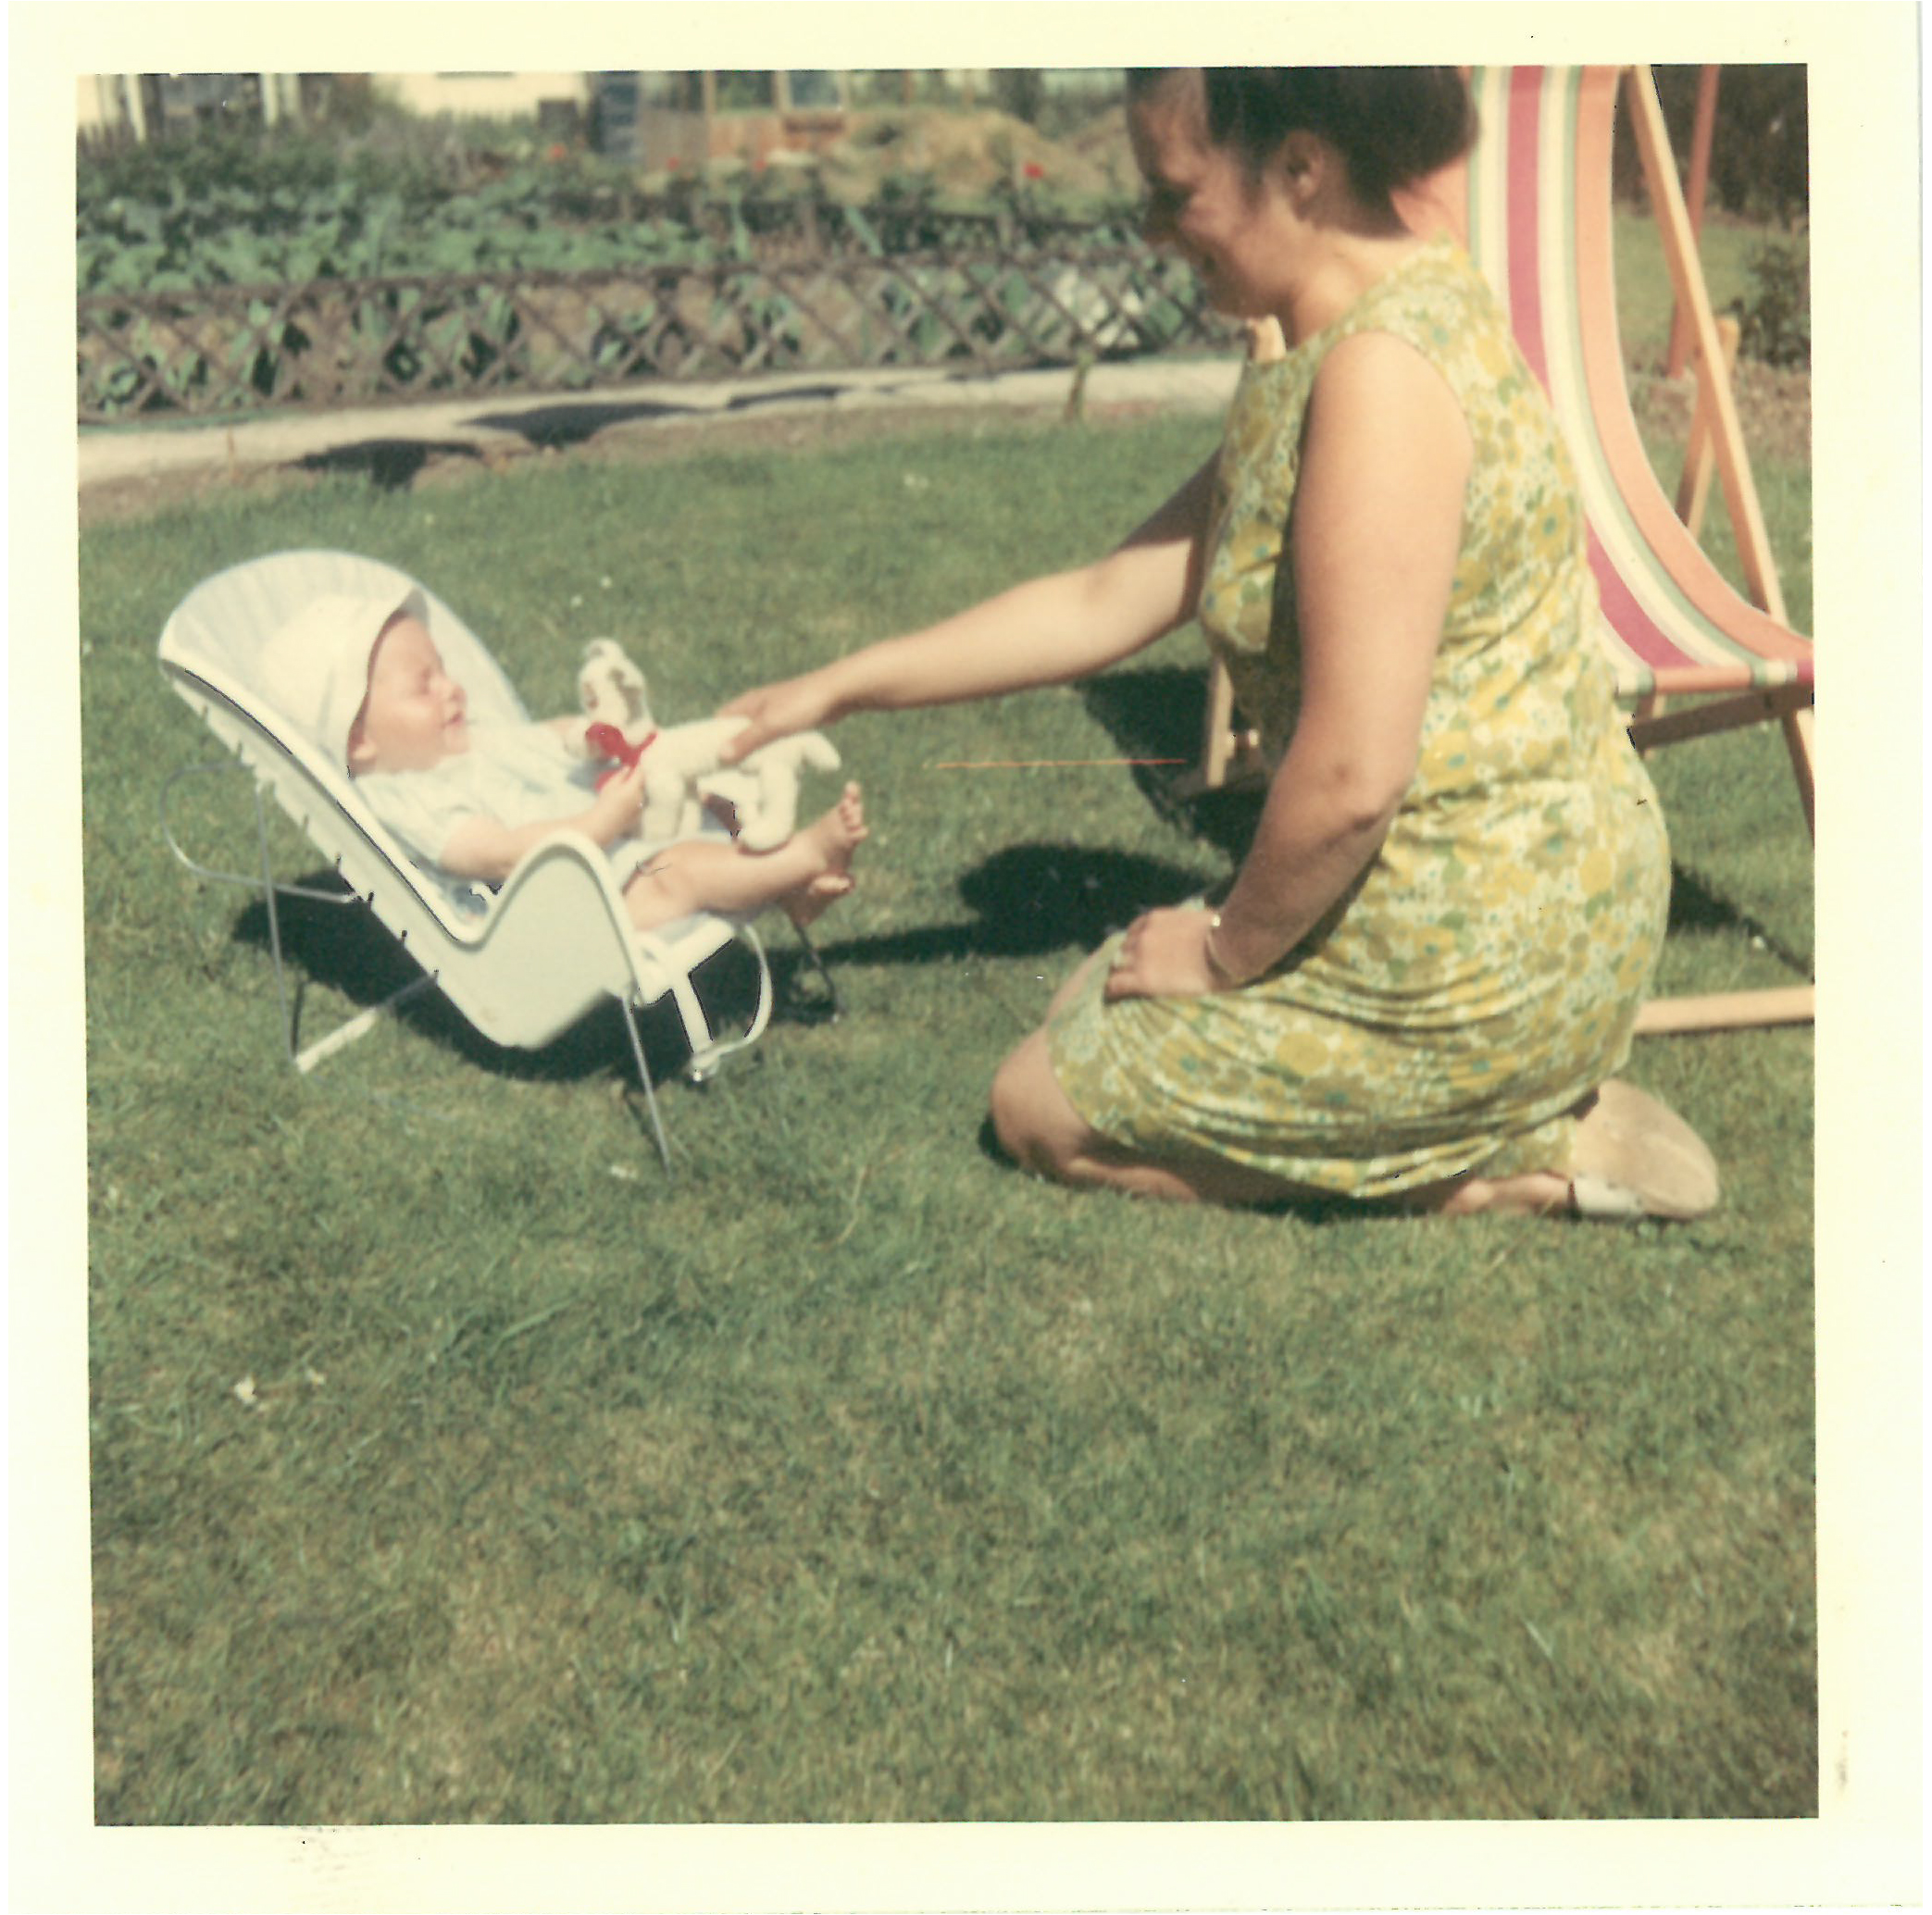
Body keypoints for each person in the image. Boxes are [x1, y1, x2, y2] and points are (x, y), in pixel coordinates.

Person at [718, 67, 1717, 1221]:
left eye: (1173, 192)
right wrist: (833, 690)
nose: (1150, 229)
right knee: (1089, 1003)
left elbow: (1351, 777)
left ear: (1299, 168)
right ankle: (1512, 1092)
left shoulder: (1379, 377)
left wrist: (1228, 953)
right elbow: (1107, 597)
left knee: (1038, 1104)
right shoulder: (1352, 323)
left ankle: (1508, 1167)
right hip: (1518, 889)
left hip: (1479, 932)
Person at [260, 589, 866, 935]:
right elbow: (497, 852)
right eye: (425, 686)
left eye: (444, 670)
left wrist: (588, 735)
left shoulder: (464, 741)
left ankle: (791, 895)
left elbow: (538, 738)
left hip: (622, 832)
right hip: (582, 906)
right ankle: (803, 858)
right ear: (360, 739)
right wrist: (602, 821)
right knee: (681, 872)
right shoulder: (407, 799)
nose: (451, 689)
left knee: (713, 799)